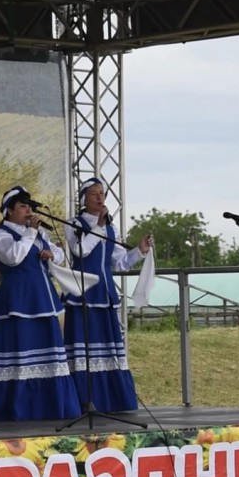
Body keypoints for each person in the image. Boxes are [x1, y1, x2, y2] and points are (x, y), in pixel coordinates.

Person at [0, 186, 81, 422]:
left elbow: (59, 254)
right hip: (17, 301)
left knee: (49, 350)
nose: (28, 211)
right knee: (19, 351)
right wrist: (31, 233)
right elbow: (14, 257)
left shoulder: (37, 233)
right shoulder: (1, 235)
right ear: (9, 211)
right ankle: (15, 406)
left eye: (30, 207)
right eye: (23, 206)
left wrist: (51, 255)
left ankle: (50, 405)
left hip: (42, 297)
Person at [62, 177, 152, 413]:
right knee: (83, 346)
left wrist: (139, 251)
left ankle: (112, 399)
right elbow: (80, 250)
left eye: (102, 193)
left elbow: (119, 262)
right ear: (84, 198)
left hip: (104, 293)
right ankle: (83, 399)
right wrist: (99, 226)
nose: (99, 197)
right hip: (83, 293)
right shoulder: (74, 224)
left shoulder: (111, 227)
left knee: (107, 347)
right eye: (94, 194)